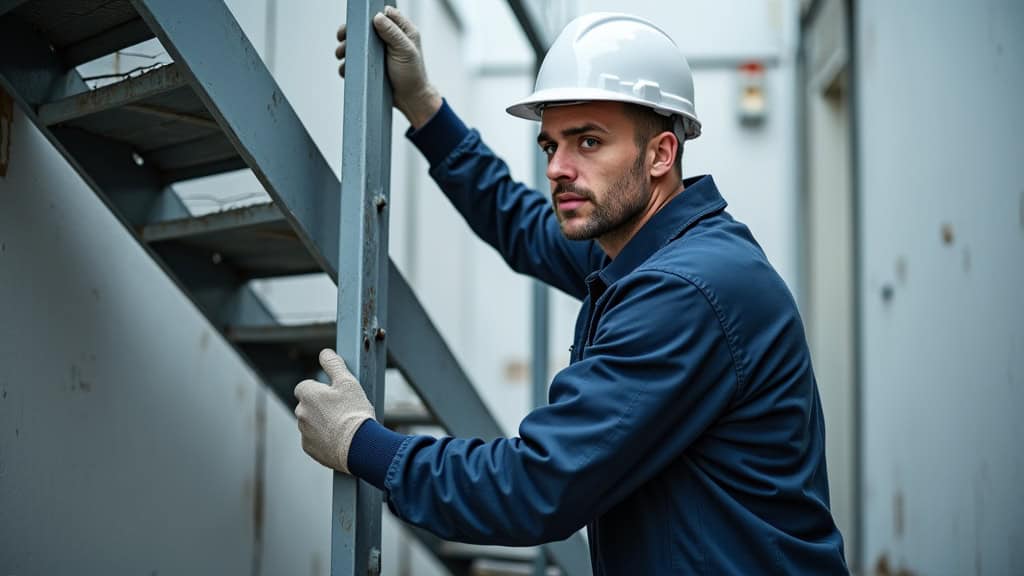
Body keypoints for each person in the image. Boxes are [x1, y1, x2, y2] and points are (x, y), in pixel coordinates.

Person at [294, 7, 848, 574]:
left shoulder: (684, 290)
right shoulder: (644, 247)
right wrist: (424, 106)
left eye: (588, 142)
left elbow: (537, 485)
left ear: (661, 153)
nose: (557, 167)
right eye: (550, 146)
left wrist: (361, 443)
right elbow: (521, 223)